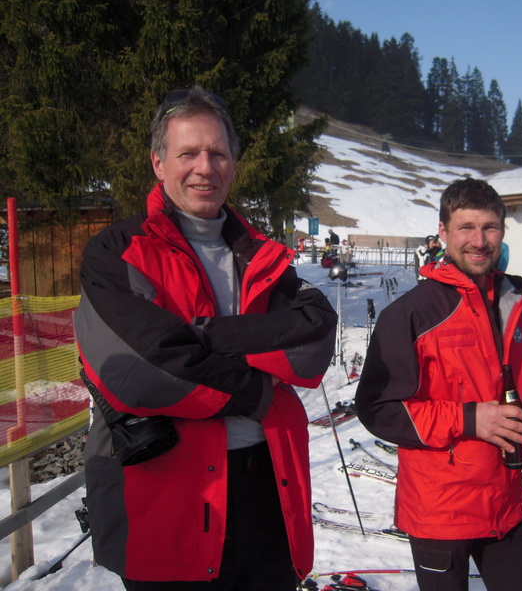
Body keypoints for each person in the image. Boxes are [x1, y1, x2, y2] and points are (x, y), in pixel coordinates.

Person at [75, 86, 338, 590]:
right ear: (158, 163)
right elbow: (140, 370)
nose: (204, 167)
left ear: (233, 165)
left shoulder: (261, 253)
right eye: (188, 153)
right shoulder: (117, 253)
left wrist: (206, 336)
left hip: (269, 492)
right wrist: (256, 388)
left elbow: (314, 338)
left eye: (217, 153)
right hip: (165, 499)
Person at [356, 177, 522, 591]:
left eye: (490, 228)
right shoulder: (411, 314)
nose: (479, 241)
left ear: (502, 230)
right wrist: (470, 419)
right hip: (440, 512)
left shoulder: (518, 308)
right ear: (443, 232)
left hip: (506, 506)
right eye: (466, 228)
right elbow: (379, 409)